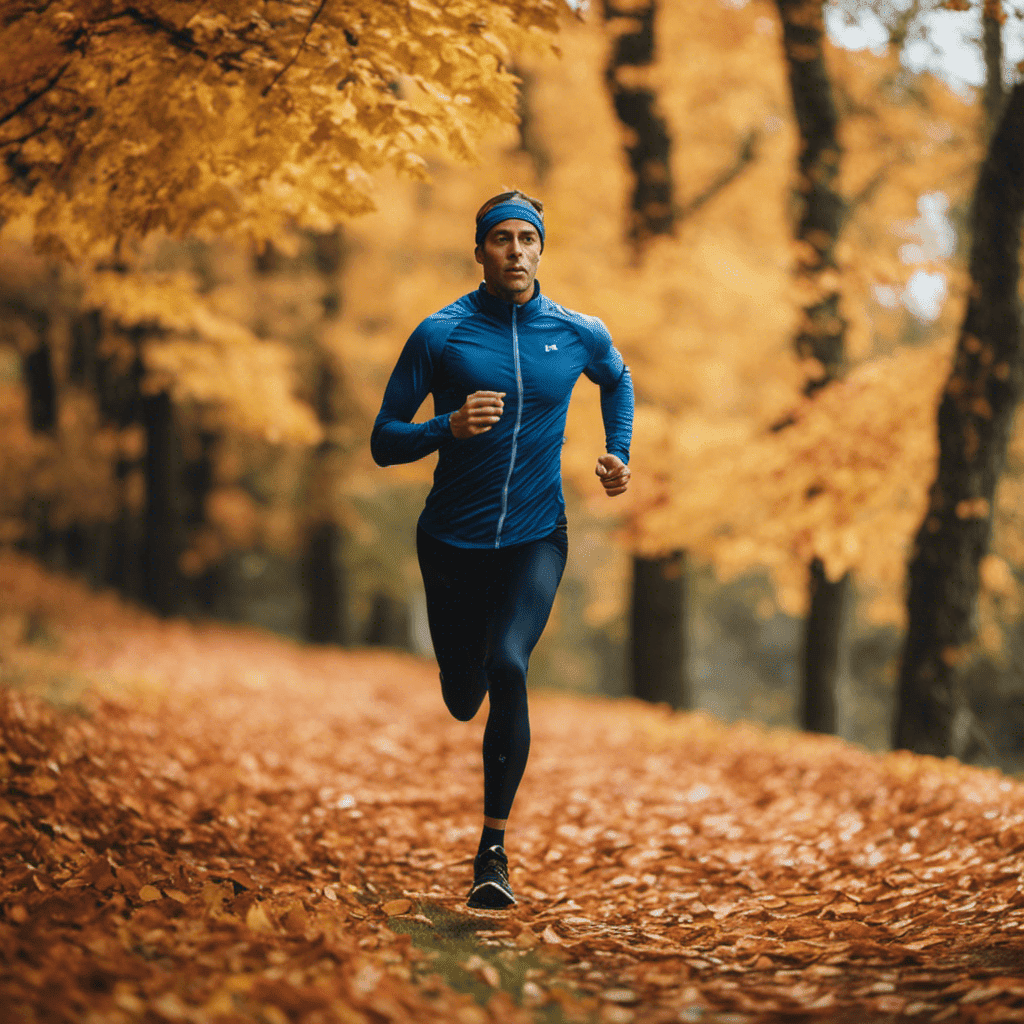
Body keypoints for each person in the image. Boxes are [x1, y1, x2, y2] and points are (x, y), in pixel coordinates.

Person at [371, 190, 633, 908]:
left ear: (542, 248)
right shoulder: (441, 334)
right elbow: (382, 439)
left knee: (509, 663)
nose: (515, 250)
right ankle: (466, 676)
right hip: (451, 543)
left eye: (527, 238)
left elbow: (618, 378)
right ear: (480, 250)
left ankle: (492, 852)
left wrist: (618, 451)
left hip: (535, 536)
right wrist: (444, 428)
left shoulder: (578, 332)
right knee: (463, 696)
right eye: (501, 240)